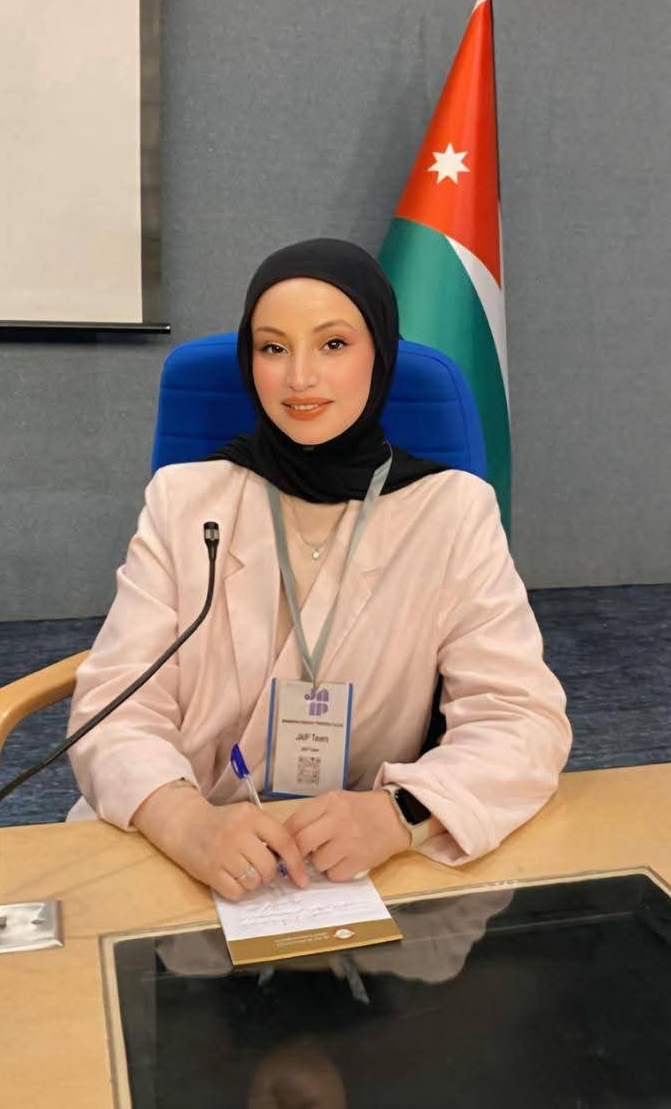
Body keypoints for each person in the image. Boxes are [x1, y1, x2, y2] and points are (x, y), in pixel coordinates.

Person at [67, 238, 572, 900]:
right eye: (273, 348)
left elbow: (521, 720)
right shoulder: (185, 500)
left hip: (358, 858)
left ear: (379, 355)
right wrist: (186, 822)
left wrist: (402, 813)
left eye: (333, 344)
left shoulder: (453, 512)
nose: (300, 377)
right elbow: (114, 707)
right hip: (181, 839)